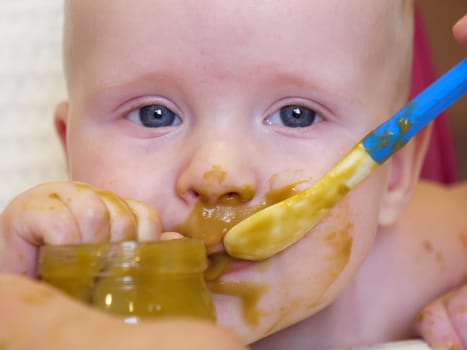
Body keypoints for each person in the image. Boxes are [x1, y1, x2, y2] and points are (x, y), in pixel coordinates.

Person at [0, 1, 466, 349]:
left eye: (297, 115)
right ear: (69, 150)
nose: (216, 173)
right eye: (155, 115)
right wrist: (21, 285)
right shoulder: (51, 277)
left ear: (396, 172)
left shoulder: (408, 263)